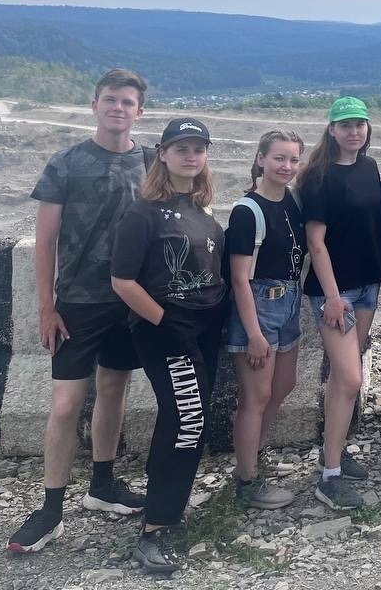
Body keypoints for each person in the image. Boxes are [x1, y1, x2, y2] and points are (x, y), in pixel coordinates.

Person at [9, 69, 151, 555]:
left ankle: (103, 485)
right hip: (77, 303)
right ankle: (50, 510)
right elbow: (45, 241)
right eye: (110, 99)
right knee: (66, 404)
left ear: (139, 111)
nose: (118, 108)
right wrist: (46, 307)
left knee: (114, 390)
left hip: (128, 302)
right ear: (95, 105)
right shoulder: (66, 164)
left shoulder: (150, 162)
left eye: (127, 102)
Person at [109, 118, 228, 575]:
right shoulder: (142, 213)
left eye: (199, 148)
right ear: (163, 153)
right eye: (182, 148)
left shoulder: (201, 210)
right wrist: (165, 320)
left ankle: (165, 505)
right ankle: (154, 529)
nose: (191, 156)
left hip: (205, 330)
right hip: (165, 331)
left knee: (186, 420)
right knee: (188, 419)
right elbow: (122, 280)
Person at [300, 97, 381, 508]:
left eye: (360, 124)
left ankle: (331, 452)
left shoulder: (369, 168)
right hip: (336, 294)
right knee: (351, 379)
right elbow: (316, 243)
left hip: (368, 287)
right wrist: (333, 297)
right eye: (346, 125)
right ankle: (329, 478)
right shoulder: (318, 176)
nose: (354, 131)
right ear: (331, 130)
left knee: (341, 377)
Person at [225, 130, 307, 511]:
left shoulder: (292, 200)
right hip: (259, 306)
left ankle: (253, 455)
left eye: (293, 159)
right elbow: (239, 279)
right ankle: (246, 481)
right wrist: (254, 334)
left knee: (284, 384)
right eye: (279, 158)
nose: (286, 166)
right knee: (254, 397)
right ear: (260, 159)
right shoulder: (247, 212)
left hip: (289, 302)